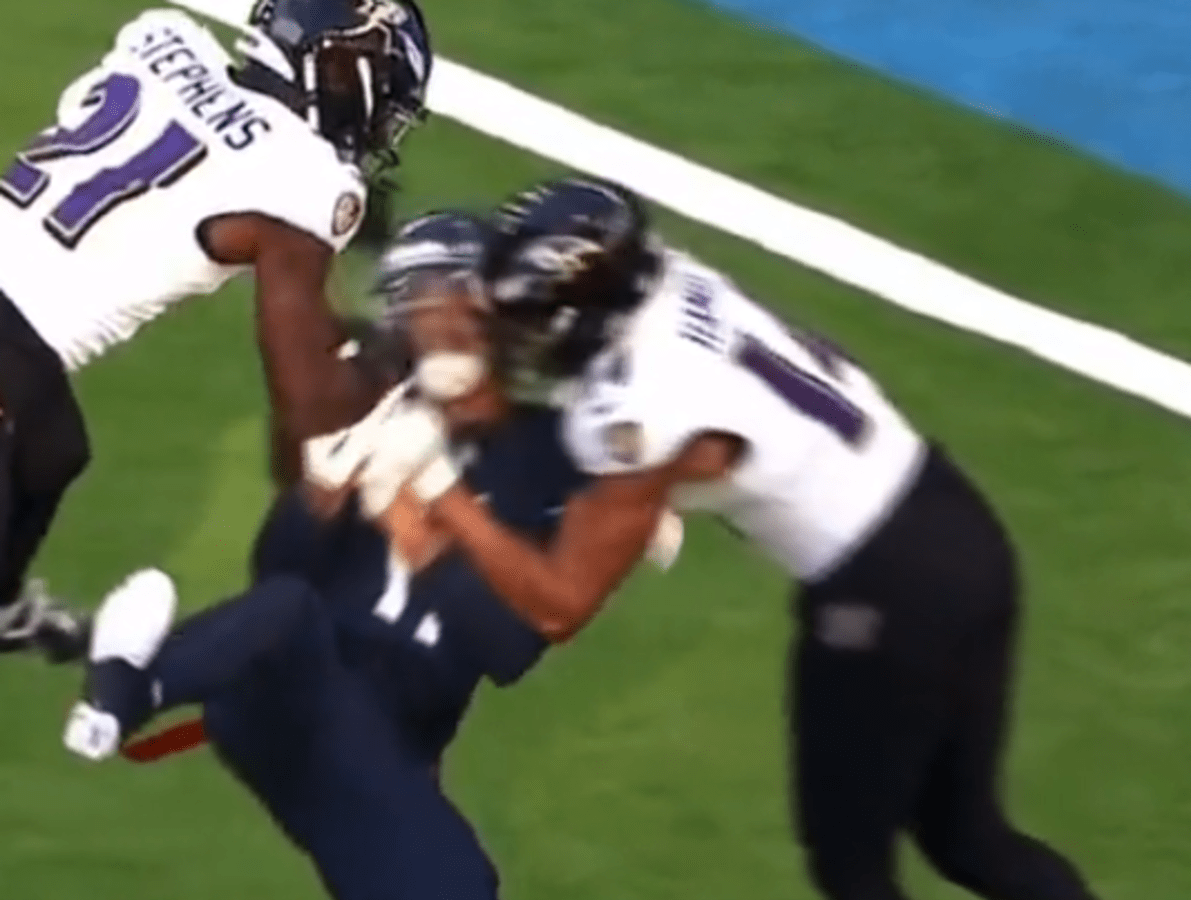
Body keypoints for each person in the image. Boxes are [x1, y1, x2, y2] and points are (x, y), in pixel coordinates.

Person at [356, 177, 1101, 900]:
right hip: (957, 525)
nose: (515, 338)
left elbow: (559, 604)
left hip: (885, 599)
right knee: (969, 838)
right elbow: (700, 449)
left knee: (852, 871)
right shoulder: (671, 283)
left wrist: (440, 490)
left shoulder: (636, 405)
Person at [62, 210, 681, 900]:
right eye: (421, 309)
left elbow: (510, 648)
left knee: (456, 884)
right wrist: (315, 499)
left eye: (455, 306)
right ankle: (126, 691)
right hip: (291, 694)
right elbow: (277, 578)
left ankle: (130, 674)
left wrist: (427, 533)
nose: (439, 329)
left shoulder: (556, 454)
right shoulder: (373, 416)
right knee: (291, 612)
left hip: (388, 742)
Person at [0, 0, 431, 661]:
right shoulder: (308, 184)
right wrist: (399, 355)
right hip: (12, 358)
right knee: (34, 431)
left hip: (19, 348)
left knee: (54, 449)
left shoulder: (162, 38)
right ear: (340, 63)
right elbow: (310, 404)